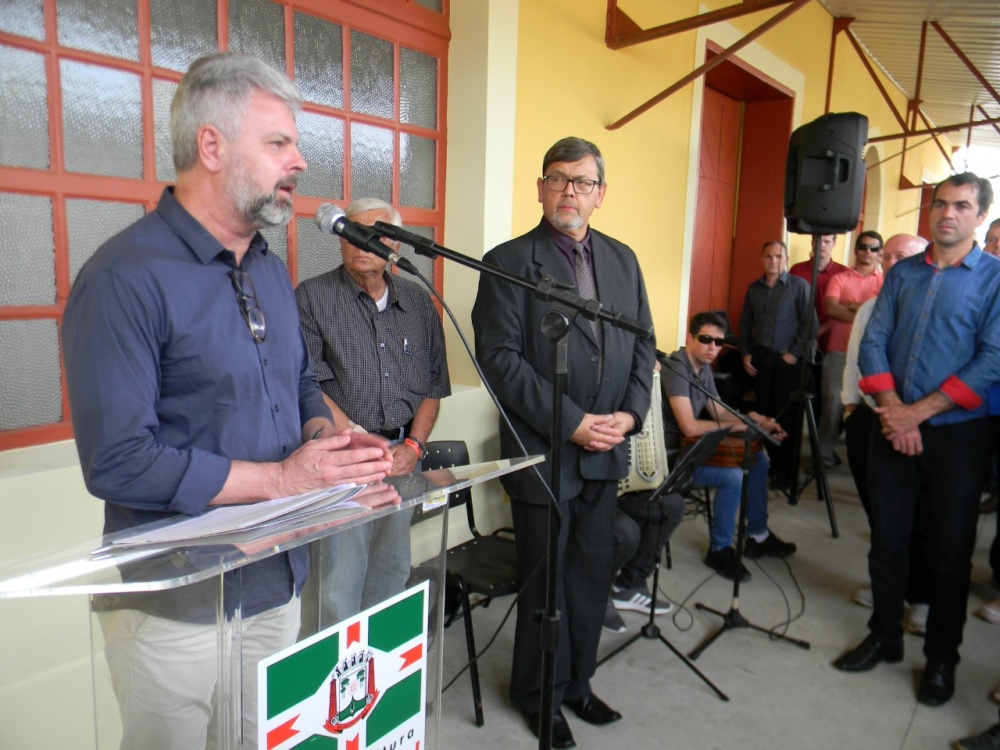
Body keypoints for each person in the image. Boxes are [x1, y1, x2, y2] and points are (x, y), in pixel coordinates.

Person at [61, 53, 394, 750]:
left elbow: (298, 384)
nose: (299, 161)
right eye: (278, 143)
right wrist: (282, 480)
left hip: (277, 579)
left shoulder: (270, 270)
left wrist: (331, 446)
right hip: (174, 605)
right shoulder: (124, 277)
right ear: (211, 146)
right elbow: (119, 461)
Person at [472, 136, 655, 749]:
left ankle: (578, 682)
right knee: (545, 586)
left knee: (590, 578)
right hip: (544, 453)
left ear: (600, 194)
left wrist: (630, 415)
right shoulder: (507, 262)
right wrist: (572, 420)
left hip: (606, 449)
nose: (568, 191)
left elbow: (643, 343)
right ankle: (539, 695)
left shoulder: (623, 260)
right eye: (557, 178)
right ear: (540, 188)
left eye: (582, 181)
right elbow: (500, 359)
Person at [834, 173, 1000, 709]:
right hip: (891, 427)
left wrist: (915, 415)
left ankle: (941, 658)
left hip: (957, 438)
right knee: (888, 539)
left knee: (949, 551)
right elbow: (873, 341)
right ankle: (884, 635)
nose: (948, 213)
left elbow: (992, 360)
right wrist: (893, 413)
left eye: (962, 206)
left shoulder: (995, 281)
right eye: (941, 204)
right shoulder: (903, 273)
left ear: (980, 217)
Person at [295, 197, 450, 626]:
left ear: (394, 245)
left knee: (391, 571)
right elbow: (306, 382)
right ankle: (340, 668)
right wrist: (360, 444)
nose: (361, 243)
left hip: (403, 458)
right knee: (338, 585)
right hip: (343, 460)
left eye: (374, 234)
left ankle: (381, 665)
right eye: (352, 233)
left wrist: (414, 447)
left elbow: (433, 385)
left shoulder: (418, 302)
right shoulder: (312, 297)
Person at [839, 234, 930, 633]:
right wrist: (849, 406)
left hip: (918, 421)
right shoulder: (870, 307)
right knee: (880, 509)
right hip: (868, 416)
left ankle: (922, 594)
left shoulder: (933, 306)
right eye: (886, 256)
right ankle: (888, 586)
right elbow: (854, 360)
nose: (890, 263)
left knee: (921, 513)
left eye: (901, 256)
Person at [663, 311, 795, 582]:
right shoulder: (676, 369)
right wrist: (742, 426)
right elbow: (689, 426)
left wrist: (756, 421)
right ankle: (719, 550)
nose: (713, 347)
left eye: (719, 342)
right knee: (732, 476)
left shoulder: (703, 369)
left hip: (693, 449)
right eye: (706, 339)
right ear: (690, 338)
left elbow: (720, 412)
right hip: (672, 458)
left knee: (757, 459)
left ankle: (758, 536)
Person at [738, 240, 818, 489]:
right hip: (759, 362)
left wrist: (794, 354)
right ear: (761, 259)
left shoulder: (799, 286)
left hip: (787, 363)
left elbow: (811, 325)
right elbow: (744, 324)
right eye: (768, 256)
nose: (773, 261)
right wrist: (745, 354)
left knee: (786, 418)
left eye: (778, 256)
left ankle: (785, 476)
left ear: (786, 260)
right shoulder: (754, 289)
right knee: (763, 415)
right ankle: (764, 469)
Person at [816, 230, 884, 468]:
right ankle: (822, 457)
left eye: (873, 248)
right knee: (832, 408)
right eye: (863, 247)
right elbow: (831, 309)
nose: (867, 252)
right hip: (838, 353)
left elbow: (880, 315)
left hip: (872, 356)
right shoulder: (840, 279)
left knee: (868, 409)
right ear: (855, 249)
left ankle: (865, 460)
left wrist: (852, 306)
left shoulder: (884, 282)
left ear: (880, 253)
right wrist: (865, 312)